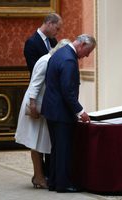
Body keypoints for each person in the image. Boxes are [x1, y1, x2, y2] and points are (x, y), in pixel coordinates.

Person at [41, 34, 96, 192]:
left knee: (56, 148)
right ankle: (63, 184)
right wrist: (81, 111)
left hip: (51, 110)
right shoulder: (69, 60)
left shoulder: (60, 52)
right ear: (82, 44)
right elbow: (68, 92)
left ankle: (53, 181)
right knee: (63, 149)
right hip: (61, 113)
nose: (87, 55)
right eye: (88, 51)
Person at [15, 39, 70, 189]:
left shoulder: (52, 59)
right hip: (35, 104)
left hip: (43, 105)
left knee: (41, 142)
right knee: (35, 142)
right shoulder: (45, 61)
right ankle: (39, 177)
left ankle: (39, 175)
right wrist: (32, 105)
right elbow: (35, 83)